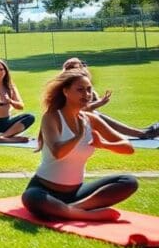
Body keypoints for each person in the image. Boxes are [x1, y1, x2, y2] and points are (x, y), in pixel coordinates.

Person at [21, 70, 138, 221]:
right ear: (66, 91)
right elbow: (58, 152)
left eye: (89, 89)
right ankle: (84, 214)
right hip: (45, 190)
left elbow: (128, 148)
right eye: (80, 89)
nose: (87, 94)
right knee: (31, 197)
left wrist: (104, 144)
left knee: (128, 181)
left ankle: (74, 209)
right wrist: (78, 136)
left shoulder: (91, 119)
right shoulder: (52, 117)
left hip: (77, 193)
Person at [61, 57, 158, 139]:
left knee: (95, 114)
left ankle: (142, 132)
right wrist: (98, 103)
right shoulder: (67, 87)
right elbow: (78, 110)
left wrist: (94, 98)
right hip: (66, 124)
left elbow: (83, 106)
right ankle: (142, 133)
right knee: (95, 114)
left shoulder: (73, 83)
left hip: (74, 121)